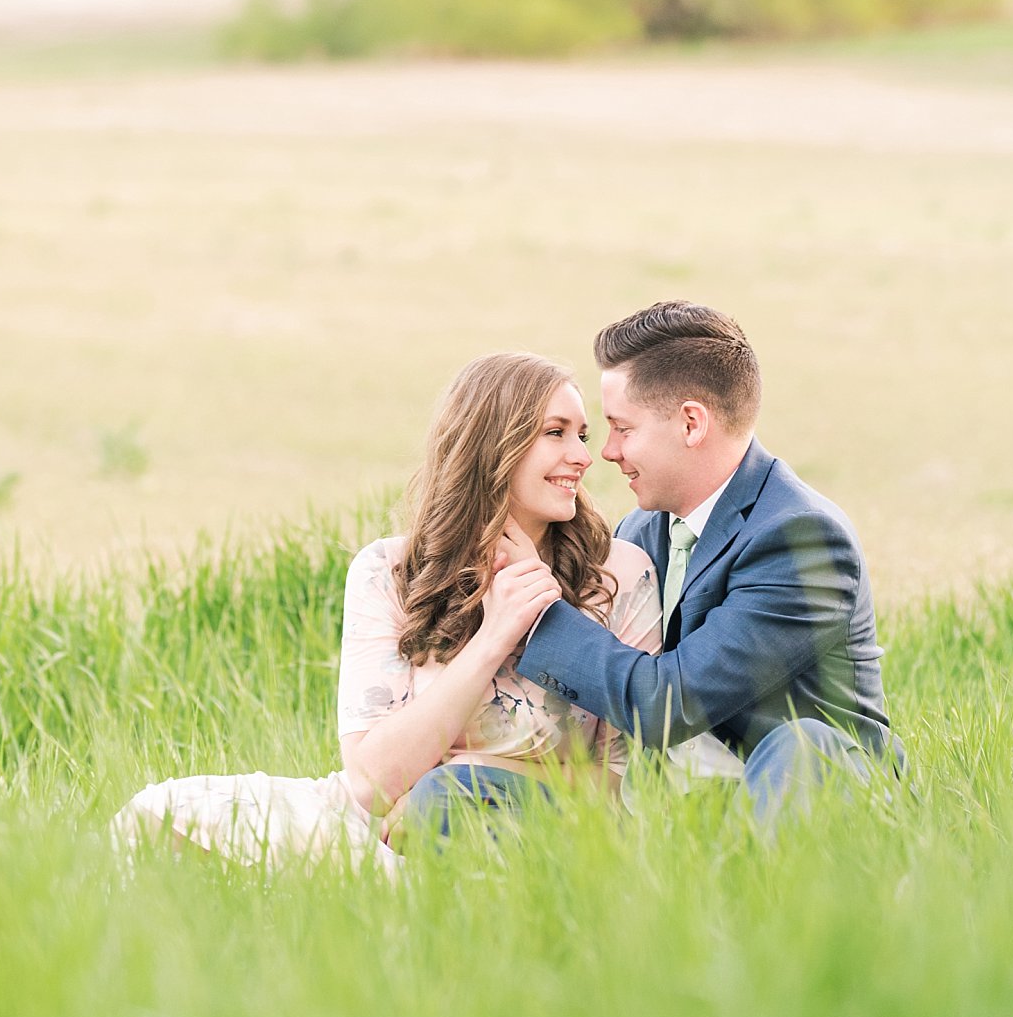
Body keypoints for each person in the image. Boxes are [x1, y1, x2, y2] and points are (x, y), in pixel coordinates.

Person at [110, 352, 661, 865]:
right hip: (371, 825)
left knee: (445, 807)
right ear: (493, 445)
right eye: (556, 433)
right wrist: (495, 635)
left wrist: (450, 782)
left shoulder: (617, 574)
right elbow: (370, 784)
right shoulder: (388, 571)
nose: (585, 457)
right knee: (155, 818)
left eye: (583, 435)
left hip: (525, 829)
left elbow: (618, 784)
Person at [515, 301, 900, 824]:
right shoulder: (640, 531)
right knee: (461, 791)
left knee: (800, 746)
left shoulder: (801, 538)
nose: (606, 452)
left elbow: (668, 704)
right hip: (672, 817)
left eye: (622, 428)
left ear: (691, 423)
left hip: (804, 807)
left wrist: (533, 606)